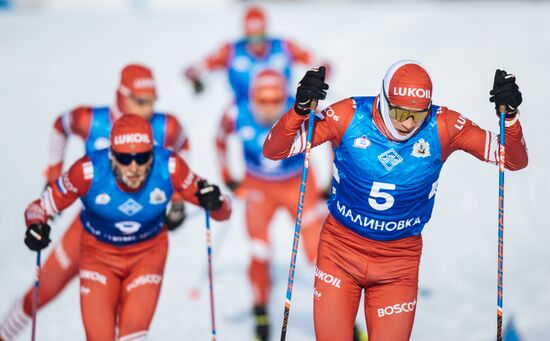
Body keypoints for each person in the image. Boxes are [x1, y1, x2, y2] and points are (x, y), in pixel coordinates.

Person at [262, 61, 528, 340]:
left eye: (418, 115)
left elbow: (511, 160)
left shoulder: (444, 125)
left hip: (398, 263)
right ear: (383, 99)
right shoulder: (349, 116)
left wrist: (509, 116)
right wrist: (300, 110)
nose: (408, 123)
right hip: (340, 252)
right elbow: (275, 150)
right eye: (399, 112)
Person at [0, 64, 190, 340]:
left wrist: (177, 200)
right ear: (120, 95)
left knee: (122, 323)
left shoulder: (164, 125)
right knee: (42, 293)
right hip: (89, 232)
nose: (148, 109)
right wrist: (54, 174)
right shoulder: (92, 120)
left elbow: (184, 144)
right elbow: (60, 125)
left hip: (140, 241)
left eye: (152, 101)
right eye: (140, 101)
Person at [21, 114, 231, 341]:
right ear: (112, 155)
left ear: (152, 154)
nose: (133, 168)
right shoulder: (88, 171)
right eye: (125, 158)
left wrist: (217, 202)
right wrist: (35, 227)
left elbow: (224, 210)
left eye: (141, 158)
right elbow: (39, 207)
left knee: (133, 336)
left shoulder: (169, 167)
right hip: (99, 258)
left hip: (147, 257)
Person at [215, 69, 325, 341]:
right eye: (262, 102)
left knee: (319, 250)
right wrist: (228, 176)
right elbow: (219, 140)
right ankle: (261, 306)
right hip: (258, 187)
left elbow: (333, 133)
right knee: (259, 248)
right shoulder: (235, 113)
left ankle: (337, 313)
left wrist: (331, 181)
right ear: (252, 98)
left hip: (296, 183)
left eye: (276, 101)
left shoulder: (298, 107)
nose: (269, 108)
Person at [184, 5, 330, 104]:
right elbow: (199, 67)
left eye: (260, 36)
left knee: (321, 119)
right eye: (251, 37)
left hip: (281, 103)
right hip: (245, 108)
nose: (256, 42)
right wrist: (194, 77)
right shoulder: (231, 50)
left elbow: (317, 62)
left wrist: (321, 74)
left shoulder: (283, 46)